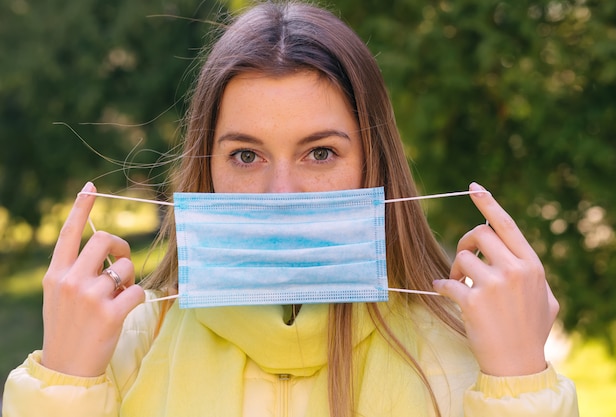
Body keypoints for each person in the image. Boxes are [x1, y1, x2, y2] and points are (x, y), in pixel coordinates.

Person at [3, 1, 578, 416]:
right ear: (207, 169)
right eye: (247, 155)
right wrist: (65, 382)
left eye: (320, 152)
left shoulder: (470, 356)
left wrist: (518, 385)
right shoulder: (120, 349)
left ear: (372, 163)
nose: (282, 195)